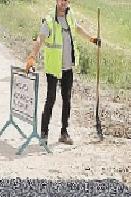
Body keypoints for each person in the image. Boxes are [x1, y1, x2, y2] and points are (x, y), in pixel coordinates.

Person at [25, 0, 101, 146]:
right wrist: (32, 57)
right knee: (51, 99)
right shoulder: (49, 19)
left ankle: (64, 133)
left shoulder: (70, 15)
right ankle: (44, 134)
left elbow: (76, 28)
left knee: (67, 100)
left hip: (67, 67)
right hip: (54, 68)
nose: (63, 3)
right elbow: (40, 38)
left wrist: (91, 38)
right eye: (61, 0)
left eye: (66, 0)